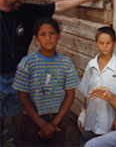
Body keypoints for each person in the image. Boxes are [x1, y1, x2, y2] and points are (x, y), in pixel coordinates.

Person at [0, 0, 102, 145]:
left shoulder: (25, 11)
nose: (23, 0)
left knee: (19, 121)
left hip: (18, 77)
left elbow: (58, 6)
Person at [12, 17, 80, 146]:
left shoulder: (66, 63)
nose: (48, 38)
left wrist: (53, 124)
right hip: (32, 118)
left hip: (58, 119)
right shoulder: (27, 63)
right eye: (43, 34)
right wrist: (42, 124)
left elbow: (70, 96)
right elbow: (23, 97)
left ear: (59, 36)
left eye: (52, 34)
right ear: (37, 38)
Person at [78, 26, 116, 146]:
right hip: (90, 120)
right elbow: (86, 91)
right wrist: (84, 112)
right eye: (101, 43)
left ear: (114, 43)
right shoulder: (91, 65)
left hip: (109, 121)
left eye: (108, 43)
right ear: (96, 43)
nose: (105, 46)